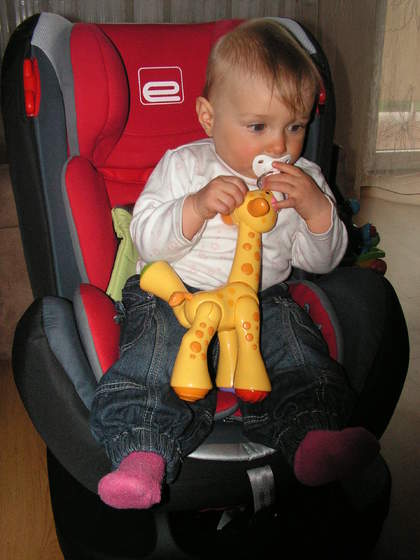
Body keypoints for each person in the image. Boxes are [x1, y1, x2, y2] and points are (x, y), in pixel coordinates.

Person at [90, 18, 379, 510]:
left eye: (295, 127)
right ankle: (141, 451)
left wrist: (316, 211)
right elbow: (145, 239)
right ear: (208, 117)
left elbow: (321, 260)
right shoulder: (184, 165)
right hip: (177, 294)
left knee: (295, 344)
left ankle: (312, 434)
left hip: (260, 301)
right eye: (258, 127)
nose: (279, 146)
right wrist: (195, 207)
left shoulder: (304, 178)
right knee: (152, 352)